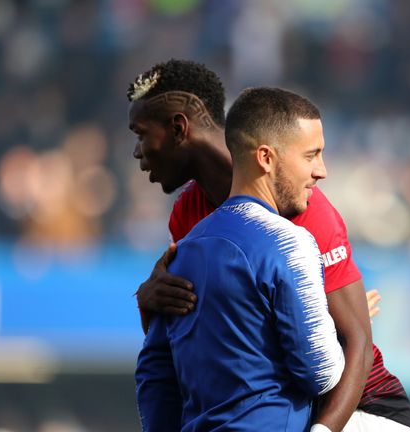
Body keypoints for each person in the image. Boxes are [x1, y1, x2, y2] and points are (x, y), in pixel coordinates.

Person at [128, 60, 410, 431]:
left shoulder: (302, 208)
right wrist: (150, 305)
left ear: (179, 128)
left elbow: (356, 342)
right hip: (282, 407)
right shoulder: (188, 213)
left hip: (359, 410)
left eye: (140, 133)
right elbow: (203, 335)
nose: (137, 151)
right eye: (312, 156)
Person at [135, 86, 345, 431]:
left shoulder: (182, 250)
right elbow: (319, 372)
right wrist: (331, 325)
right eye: (311, 156)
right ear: (265, 157)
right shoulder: (290, 243)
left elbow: (155, 371)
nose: (321, 171)